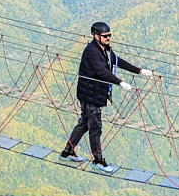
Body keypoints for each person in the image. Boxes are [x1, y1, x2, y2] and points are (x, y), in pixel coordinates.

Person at [59, 21, 153, 171]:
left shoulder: (105, 50)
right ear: (96, 36)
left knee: (84, 123)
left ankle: (67, 152)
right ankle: (98, 160)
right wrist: (120, 82)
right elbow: (102, 72)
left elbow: (118, 62)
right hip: (90, 95)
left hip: (95, 94)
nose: (108, 38)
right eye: (105, 36)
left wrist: (140, 71)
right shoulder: (92, 52)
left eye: (109, 35)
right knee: (95, 127)